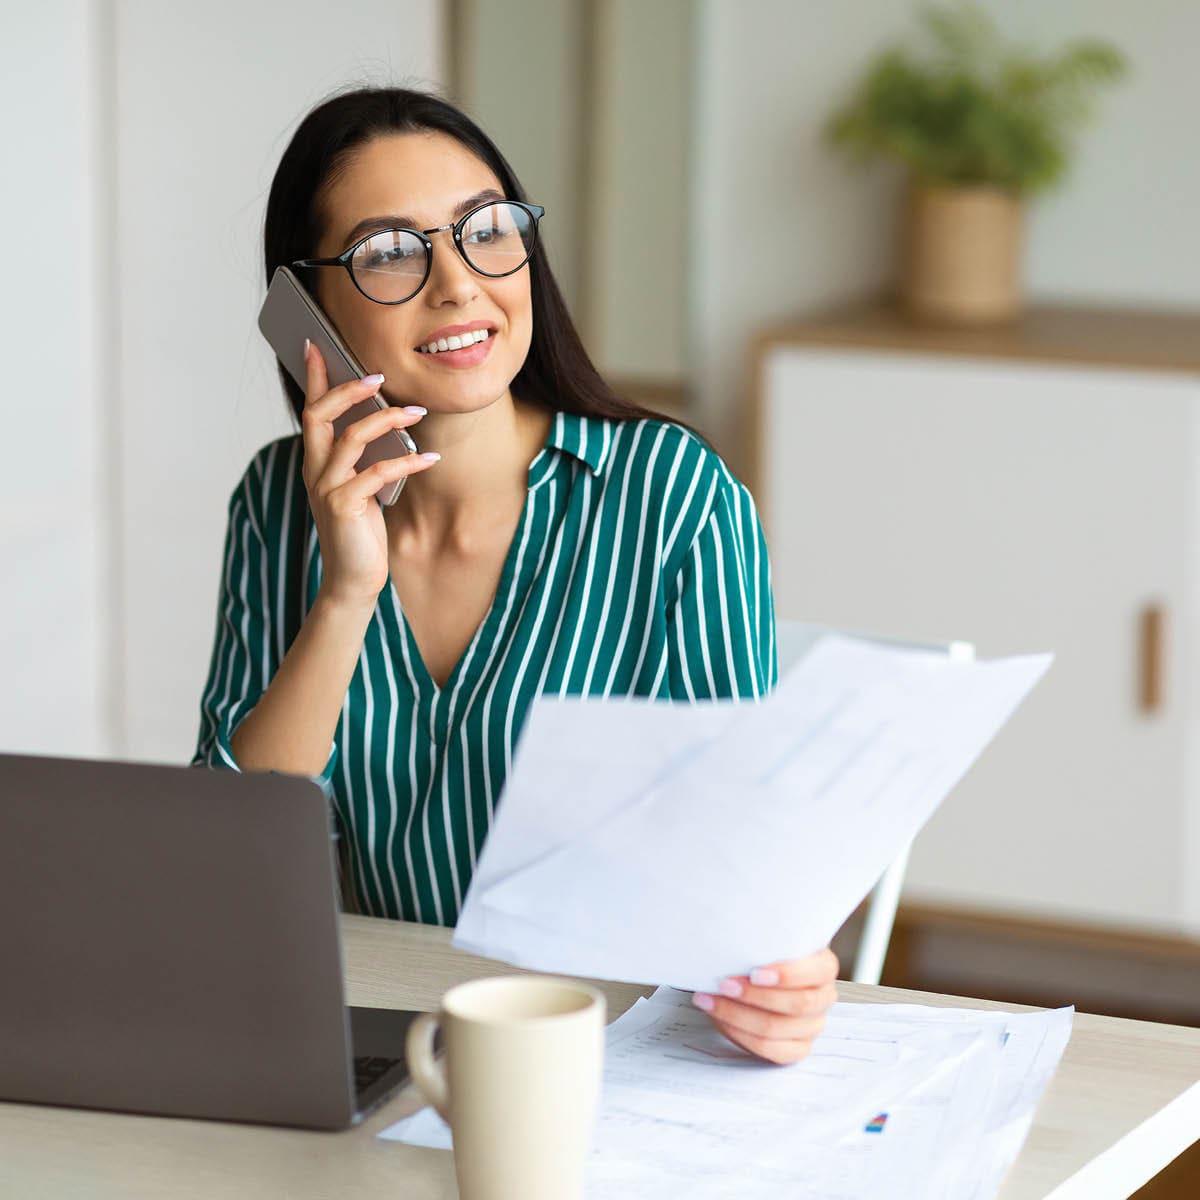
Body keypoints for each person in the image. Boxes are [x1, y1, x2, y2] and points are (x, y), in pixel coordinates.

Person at [190, 85, 836, 1065]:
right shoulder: (278, 506)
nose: (458, 285)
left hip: (611, 1054)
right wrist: (346, 592)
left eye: (486, 231)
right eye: (391, 252)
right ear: (305, 312)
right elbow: (228, 866)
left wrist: (779, 981)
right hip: (382, 1054)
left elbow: (737, 865)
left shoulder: (674, 500)